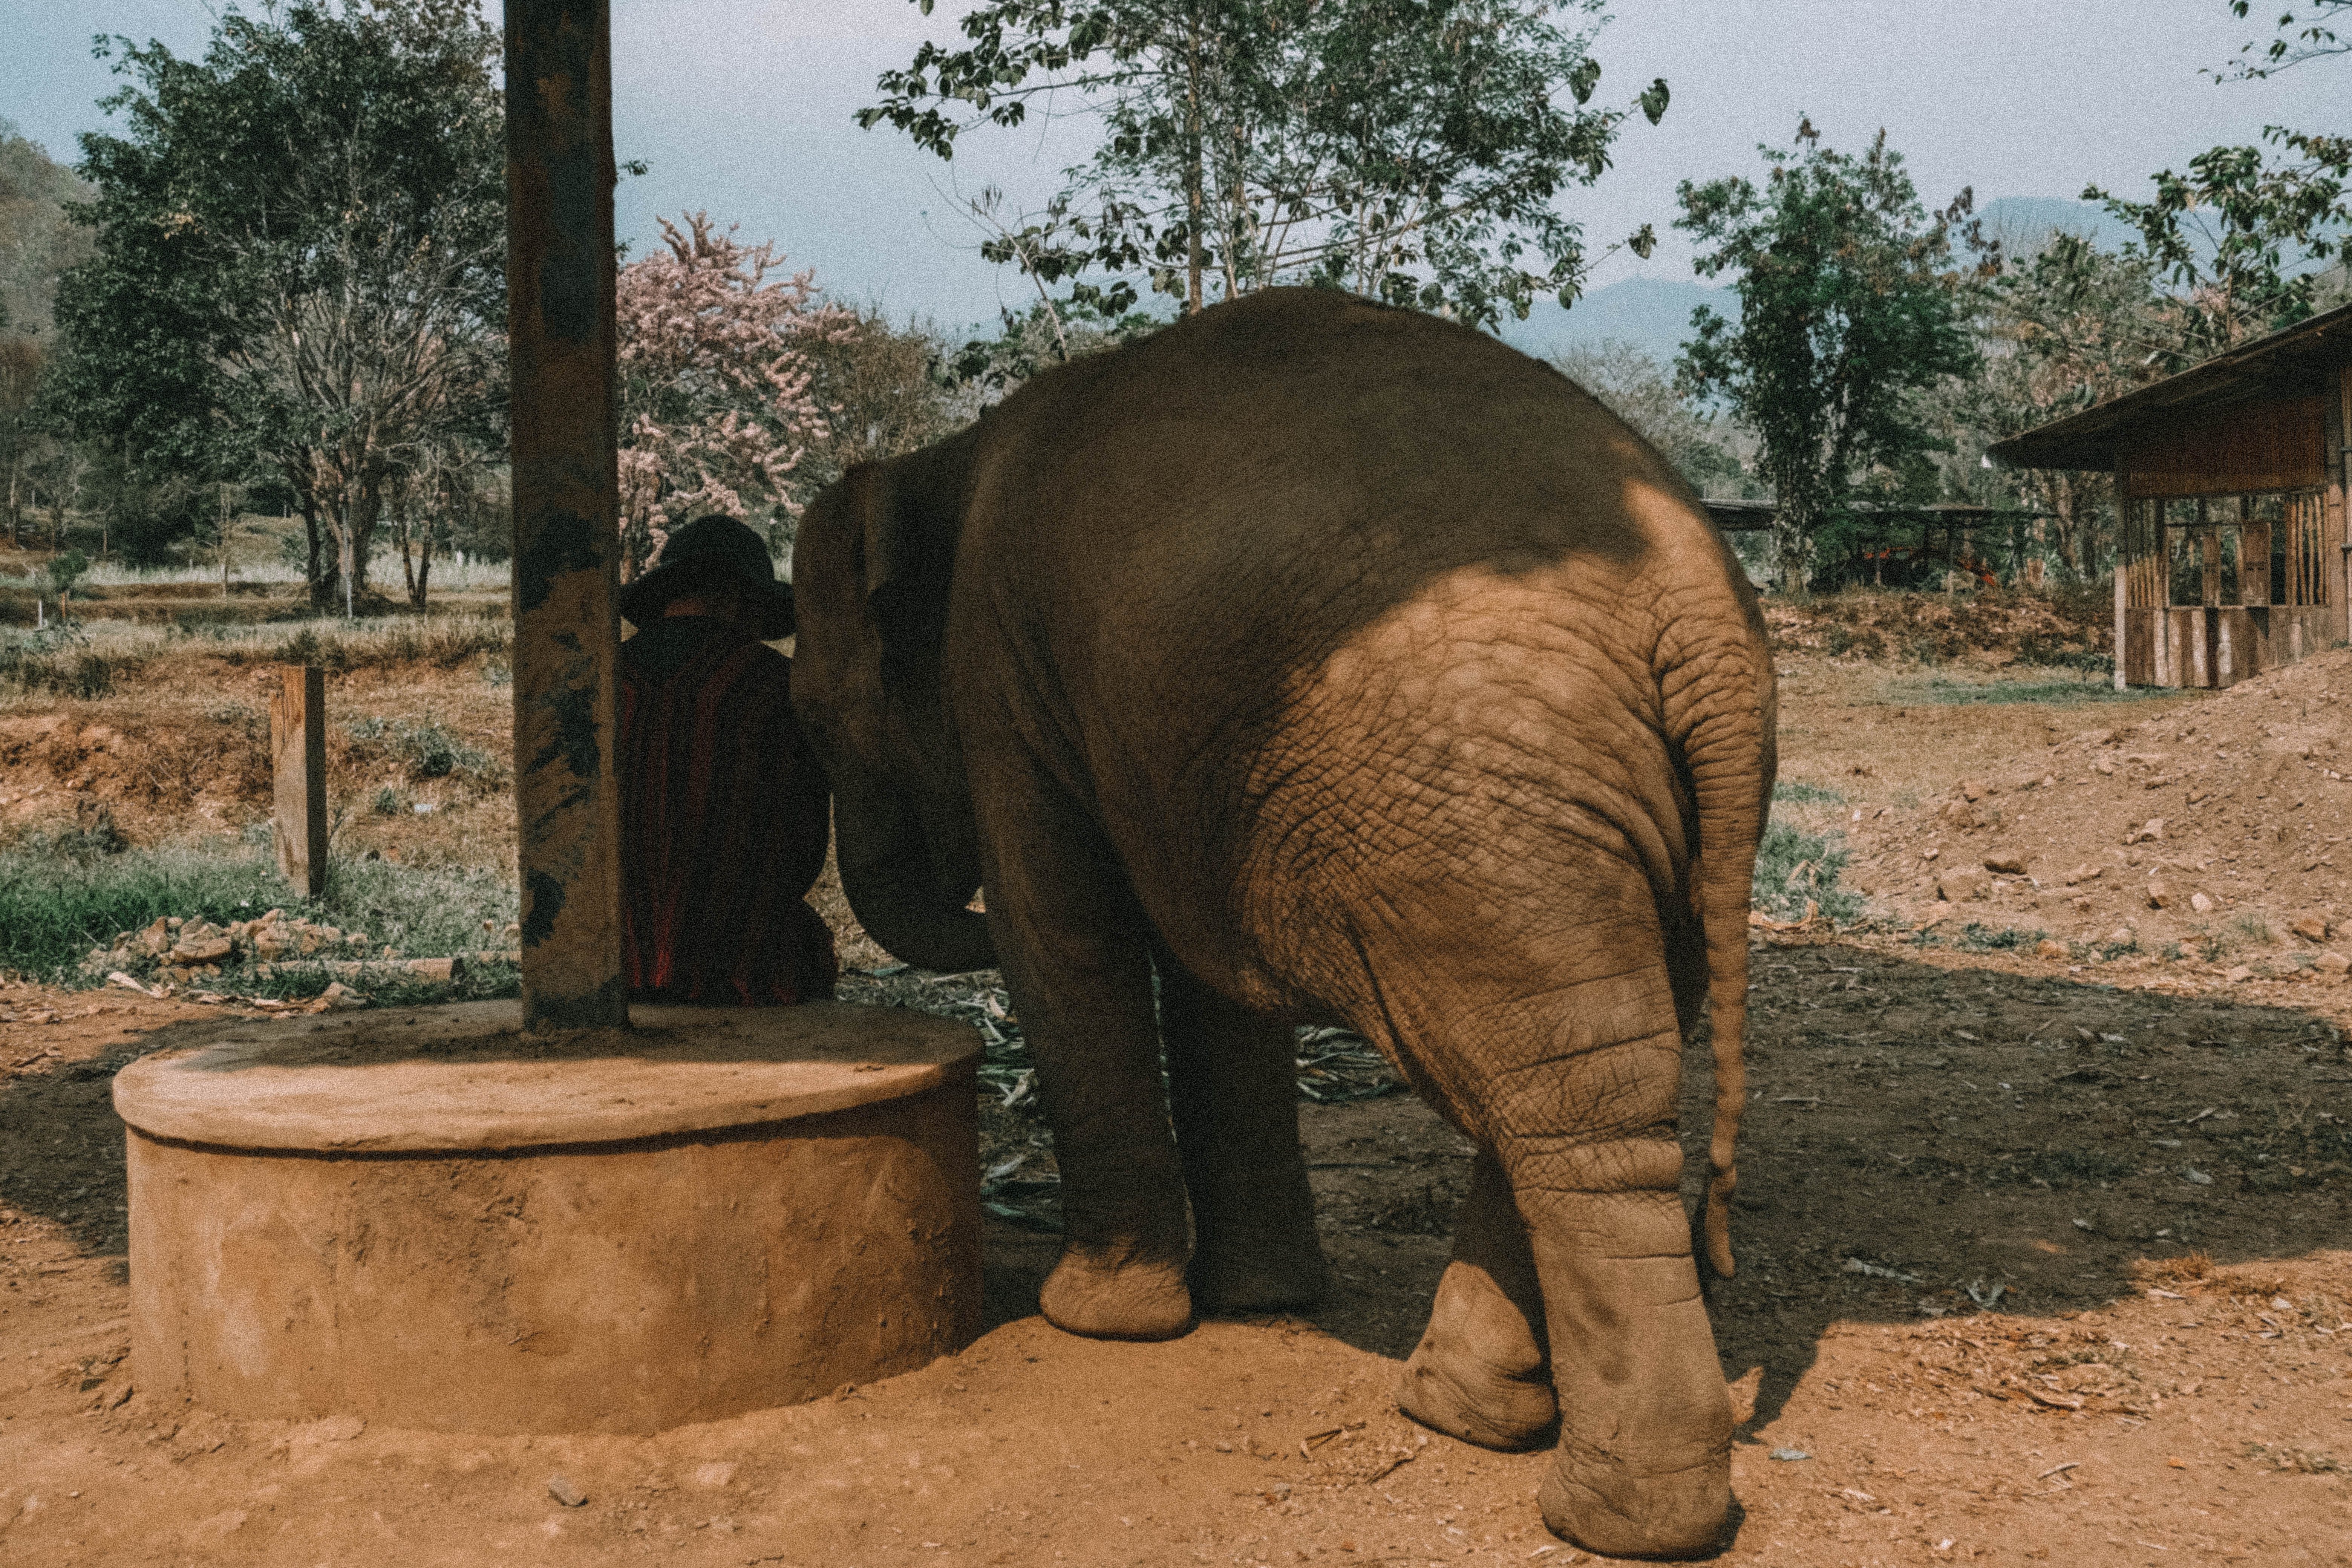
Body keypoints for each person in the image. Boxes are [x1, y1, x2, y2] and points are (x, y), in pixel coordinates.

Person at [615, 516, 836, 1005]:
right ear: (741, 600)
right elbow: (805, 851)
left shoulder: (599, 685)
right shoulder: (779, 688)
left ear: (666, 599)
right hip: (739, 978)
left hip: (610, 971)